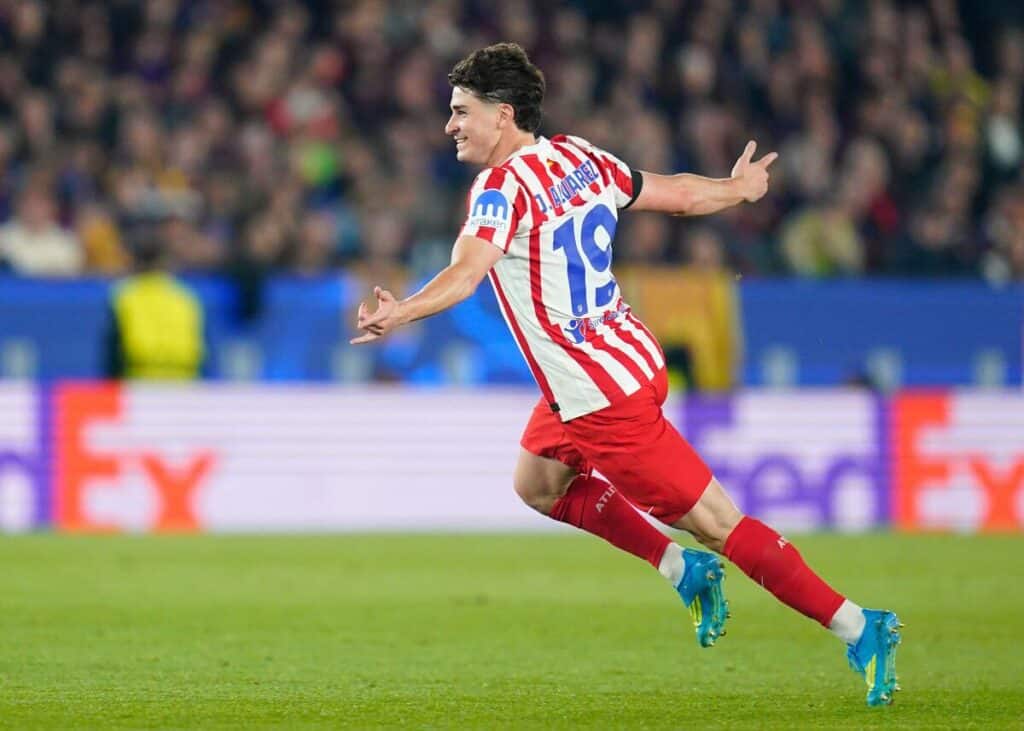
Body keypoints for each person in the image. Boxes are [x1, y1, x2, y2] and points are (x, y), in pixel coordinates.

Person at [350, 43, 901, 707]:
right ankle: (678, 566)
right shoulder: (581, 156)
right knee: (537, 481)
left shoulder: (500, 189)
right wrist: (736, 189)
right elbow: (673, 194)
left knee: (719, 522)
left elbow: (468, 273)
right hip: (628, 358)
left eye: (461, 111)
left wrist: (404, 309)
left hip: (598, 397)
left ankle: (857, 625)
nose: (451, 125)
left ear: (502, 114)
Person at [105, 230, 206, 380]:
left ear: (134, 261)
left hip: (139, 386)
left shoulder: (124, 296)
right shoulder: (185, 297)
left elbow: (112, 355)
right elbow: (203, 350)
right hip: (185, 386)